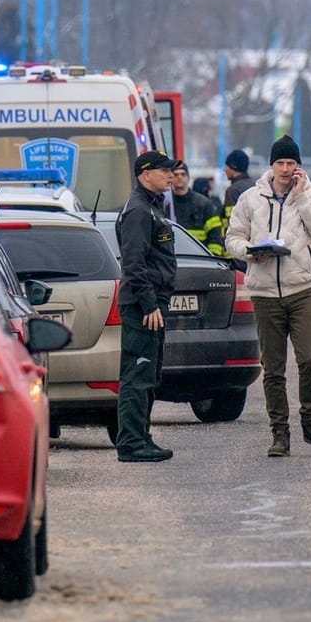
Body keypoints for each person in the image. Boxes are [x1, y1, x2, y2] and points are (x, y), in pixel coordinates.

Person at [225, 135, 311, 458]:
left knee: (309, 360)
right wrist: (249, 252)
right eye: (281, 163)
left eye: (291, 163)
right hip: (264, 291)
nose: (286, 169)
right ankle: (279, 432)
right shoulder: (251, 198)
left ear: (298, 166)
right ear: (271, 166)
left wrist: (301, 199)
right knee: (273, 368)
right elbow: (233, 237)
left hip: (302, 289)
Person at [113, 150, 179, 462]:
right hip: (143, 306)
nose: (171, 176)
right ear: (146, 174)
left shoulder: (152, 207)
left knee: (149, 374)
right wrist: (149, 303)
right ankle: (130, 444)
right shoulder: (139, 211)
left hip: (151, 304)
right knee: (137, 374)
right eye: (165, 171)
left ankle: (142, 436)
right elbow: (134, 264)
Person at [167, 160, 224, 255]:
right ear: (170, 179)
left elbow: (215, 234)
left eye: (183, 174)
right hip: (173, 258)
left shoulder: (204, 203)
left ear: (188, 178)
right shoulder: (165, 203)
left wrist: (213, 259)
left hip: (199, 259)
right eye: (175, 175)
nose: (179, 177)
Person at [217, 148, 252, 262]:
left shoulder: (232, 190)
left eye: (227, 166)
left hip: (237, 254)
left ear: (233, 167)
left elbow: (230, 221)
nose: (225, 169)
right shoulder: (255, 185)